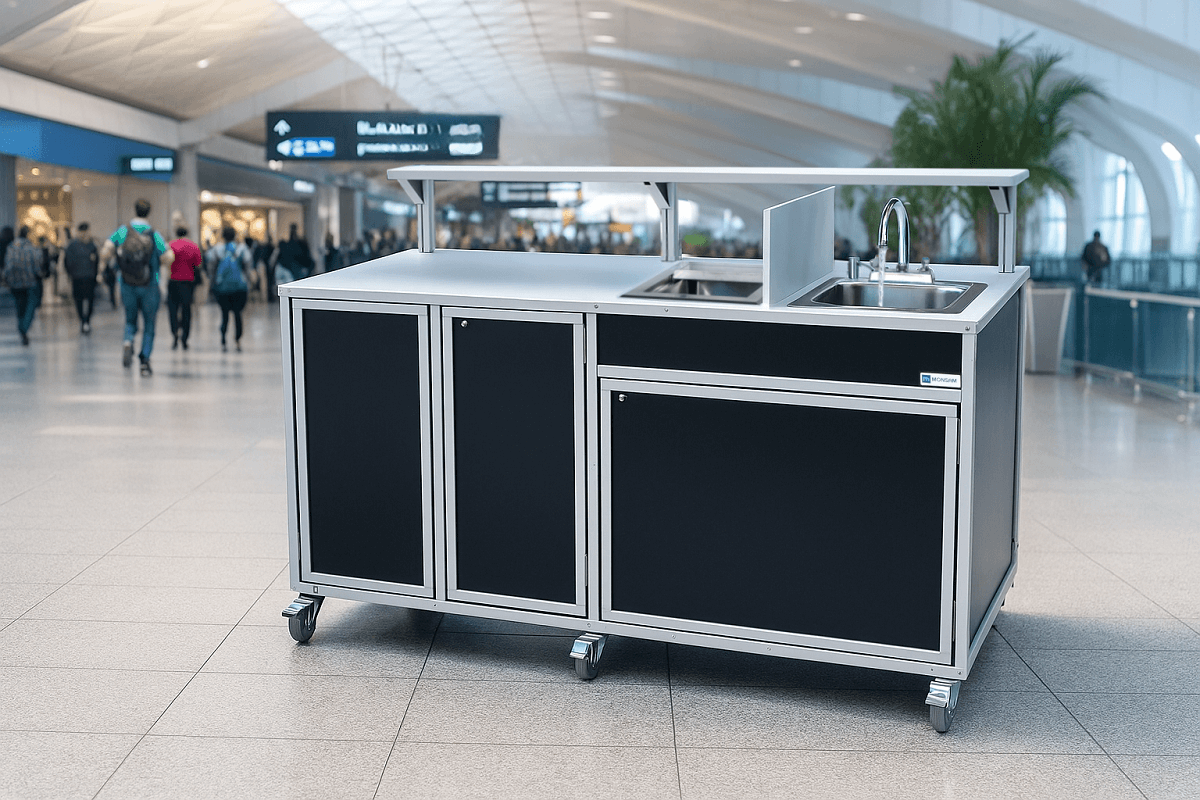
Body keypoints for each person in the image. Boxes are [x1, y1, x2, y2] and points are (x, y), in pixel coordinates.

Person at [99, 198, 174, 376]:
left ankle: (127, 340)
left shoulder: (123, 231)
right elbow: (168, 258)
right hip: (150, 285)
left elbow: (105, 250)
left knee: (130, 320)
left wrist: (102, 269)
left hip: (127, 284)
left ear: (135, 210)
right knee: (149, 324)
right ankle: (145, 360)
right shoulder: (154, 235)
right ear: (149, 212)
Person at [206, 226, 253, 352]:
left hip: (222, 288)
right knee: (238, 314)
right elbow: (248, 267)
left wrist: (213, 282)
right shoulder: (242, 248)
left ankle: (223, 339)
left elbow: (211, 267)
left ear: (223, 236)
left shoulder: (217, 249)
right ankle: (237, 340)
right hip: (239, 288)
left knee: (224, 314)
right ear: (235, 235)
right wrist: (249, 283)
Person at [2, 225, 45, 345]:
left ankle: (21, 327)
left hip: (15, 283)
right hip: (29, 282)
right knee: (30, 306)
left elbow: (8, 266)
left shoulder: (11, 247)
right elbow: (37, 265)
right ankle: (24, 328)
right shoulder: (31, 247)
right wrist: (39, 274)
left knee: (19, 307)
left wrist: (6, 278)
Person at [166, 226, 203, 350]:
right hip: (188, 282)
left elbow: (166, 261)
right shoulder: (193, 246)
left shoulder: (171, 245)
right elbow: (198, 263)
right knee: (187, 310)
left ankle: (175, 331)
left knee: (173, 309)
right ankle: (185, 338)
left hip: (173, 281)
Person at [64, 222, 100, 334]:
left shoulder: (74, 245)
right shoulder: (90, 245)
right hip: (87, 277)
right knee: (88, 301)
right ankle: (86, 321)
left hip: (79, 277)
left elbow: (67, 262)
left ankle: (84, 321)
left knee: (80, 300)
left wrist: (70, 273)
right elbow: (97, 261)